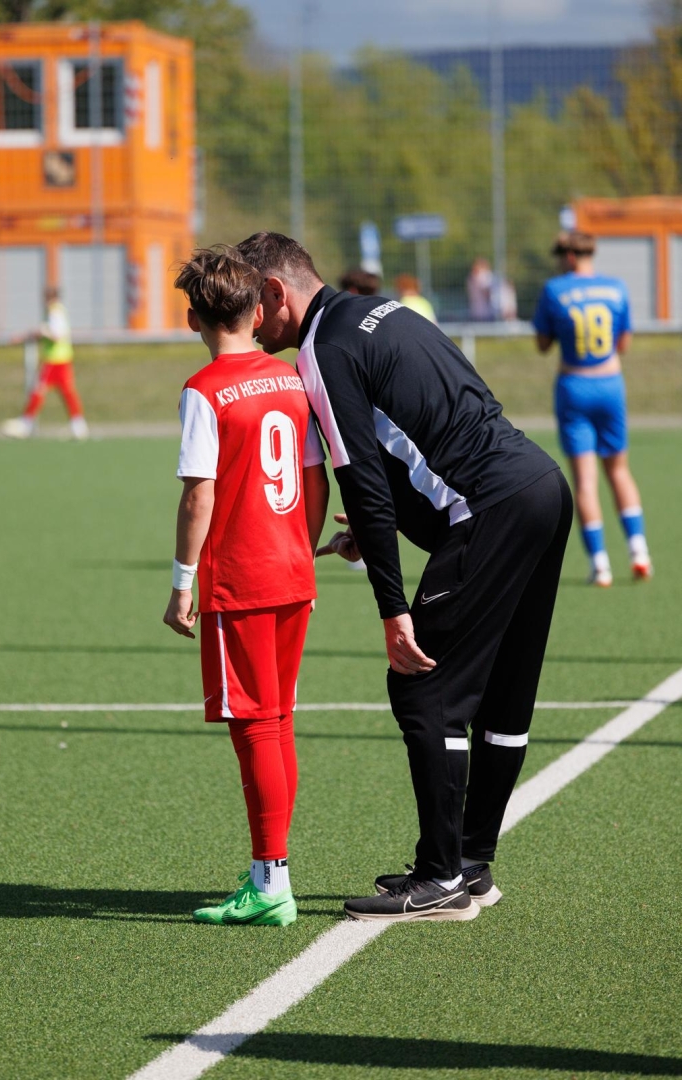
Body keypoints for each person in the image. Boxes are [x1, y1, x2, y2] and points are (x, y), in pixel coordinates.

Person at [236, 231, 572, 923]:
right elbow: (436, 419)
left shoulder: (323, 350)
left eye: (251, 307)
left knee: (423, 687)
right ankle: (469, 865)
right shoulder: (379, 310)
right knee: (503, 695)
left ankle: (441, 877)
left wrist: (392, 608)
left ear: (275, 292)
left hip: (490, 508)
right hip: (538, 483)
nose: (249, 324)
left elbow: (362, 480)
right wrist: (373, 533)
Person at [163, 245, 329, 926]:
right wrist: (302, 549)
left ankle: (269, 881)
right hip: (291, 573)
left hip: (242, 580)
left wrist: (182, 583)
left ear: (193, 318)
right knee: (279, 719)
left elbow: (198, 495)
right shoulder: (291, 378)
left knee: (256, 726)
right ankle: (271, 873)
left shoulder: (203, 391)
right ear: (258, 311)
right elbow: (315, 476)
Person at [533, 230, 652, 587]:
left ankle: (600, 565)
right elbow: (624, 344)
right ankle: (639, 552)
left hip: (574, 386)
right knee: (619, 470)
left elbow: (542, 344)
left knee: (585, 480)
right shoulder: (616, 287)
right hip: (611, 384)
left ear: (569, 256)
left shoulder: (555, 289)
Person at [2, 287, 89, 440]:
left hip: (55, 361)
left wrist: (41, 332)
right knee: (66, 392)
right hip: (60, 360)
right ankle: (78, 425)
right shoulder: (54, 312)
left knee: (40, 391)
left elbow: (57, 335)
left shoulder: (55, 312)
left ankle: (26, 423)